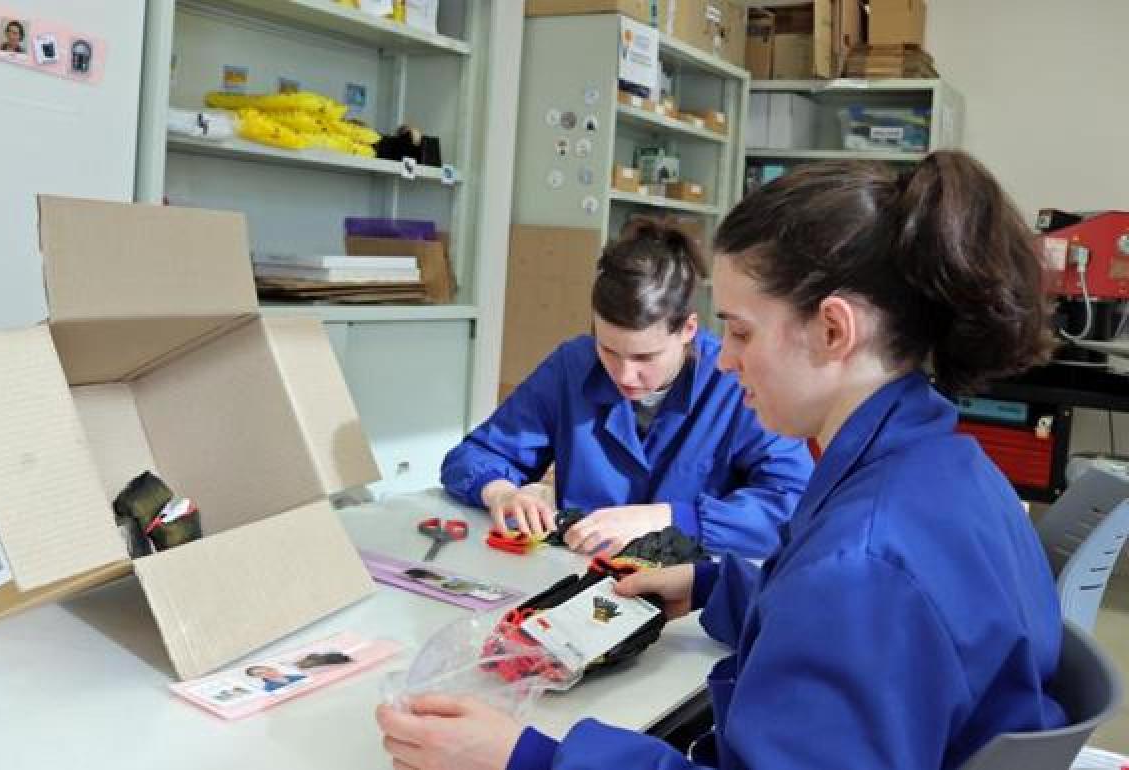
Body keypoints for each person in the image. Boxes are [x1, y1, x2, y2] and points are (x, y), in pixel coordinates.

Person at [377, 151, 1067, 770]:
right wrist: (712, 588)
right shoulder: (955, 470)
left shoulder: (861, 565)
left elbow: (851, 605)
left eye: (739, 330)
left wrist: (525, 758)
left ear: (833, 330)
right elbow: (860, 641)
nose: (727, 358)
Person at [441, 219, 813, 559]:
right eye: (609, 349)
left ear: (688, 330)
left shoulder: (734, 381)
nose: (624, 375)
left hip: (691, 592)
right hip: (579, 576)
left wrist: (671, 518)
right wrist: (502, 492)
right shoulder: (573, 365)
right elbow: (474, 455)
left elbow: (793, 506)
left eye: (645, 357)